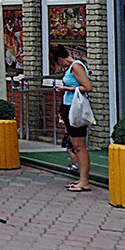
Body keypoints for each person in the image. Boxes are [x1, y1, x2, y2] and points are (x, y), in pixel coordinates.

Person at [52, 44, 93, 193]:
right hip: (69, 107)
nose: (59, 65)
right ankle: (82, 178)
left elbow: (88, 87)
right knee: (76, 145)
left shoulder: (76, 66)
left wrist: (66, 89)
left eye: (57, 62)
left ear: (60, 58)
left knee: (80, 146)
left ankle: (84, 181)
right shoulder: (72, 67)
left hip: (75, 108)